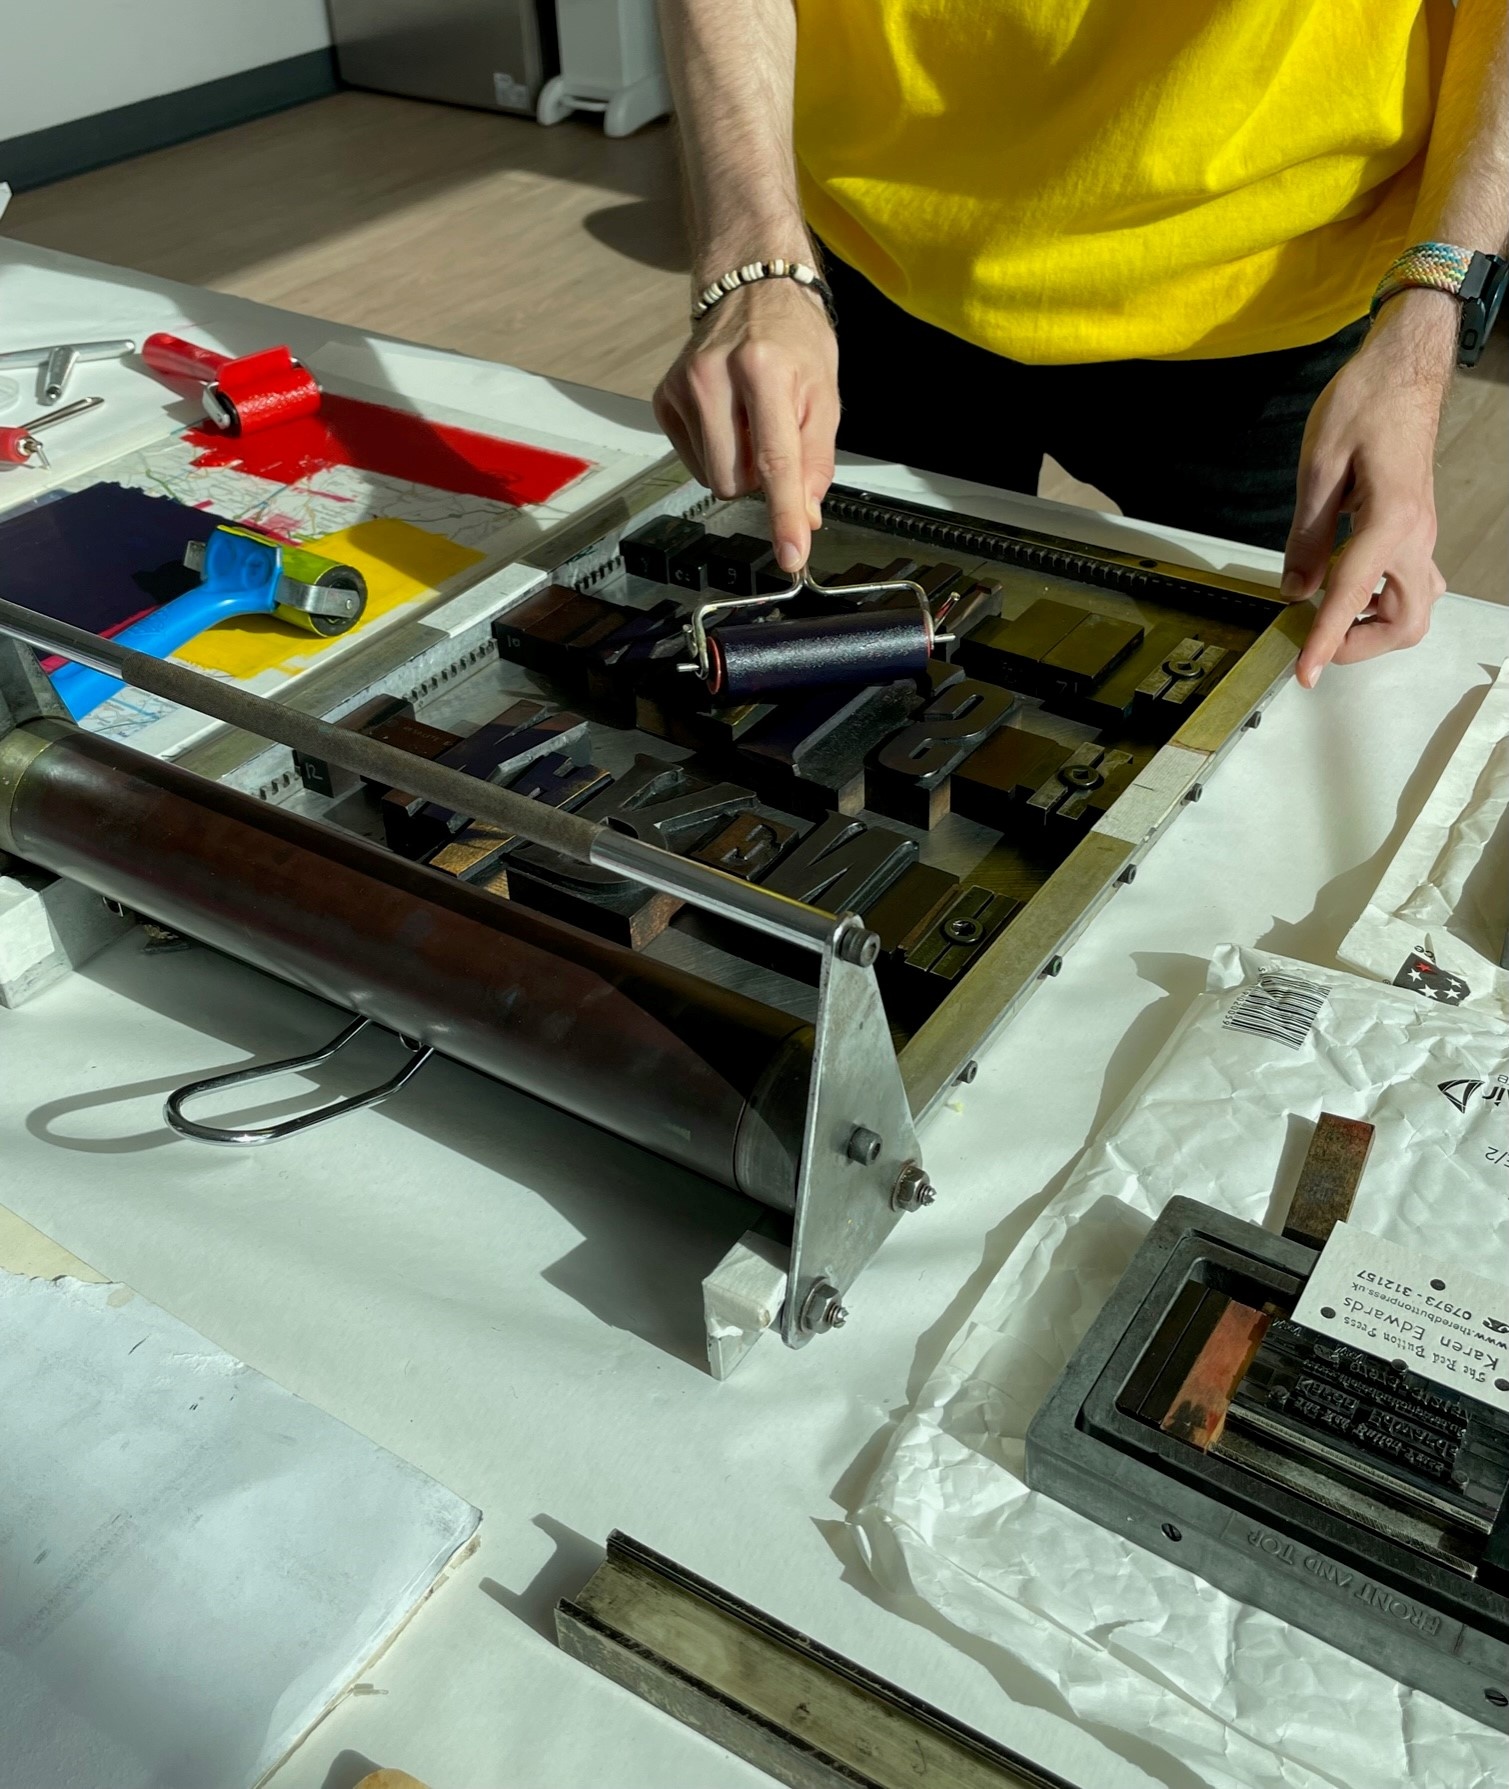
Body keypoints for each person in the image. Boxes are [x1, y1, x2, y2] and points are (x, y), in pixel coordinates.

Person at [653, 0, 1508, 687]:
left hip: (1272, 305)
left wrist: (1425, 327)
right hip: (882, 263)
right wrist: (751, 257)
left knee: (1300, 697)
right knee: (843, 683)